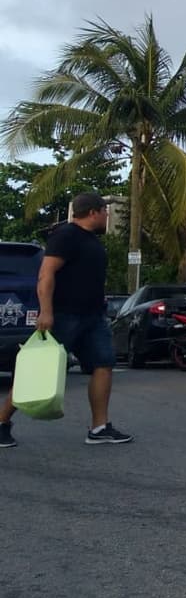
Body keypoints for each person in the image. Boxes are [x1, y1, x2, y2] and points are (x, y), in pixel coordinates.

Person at [0, 192, 133, 448]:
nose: (107, 216)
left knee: (103, 364)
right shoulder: (66, 235)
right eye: (105, 211)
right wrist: (46, 311)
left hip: (93, 317)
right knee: (38, 372)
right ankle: (2, 422)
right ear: (93, 212)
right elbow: (46, 274)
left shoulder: (91, 240)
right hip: (64, 315)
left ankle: (99, 428)